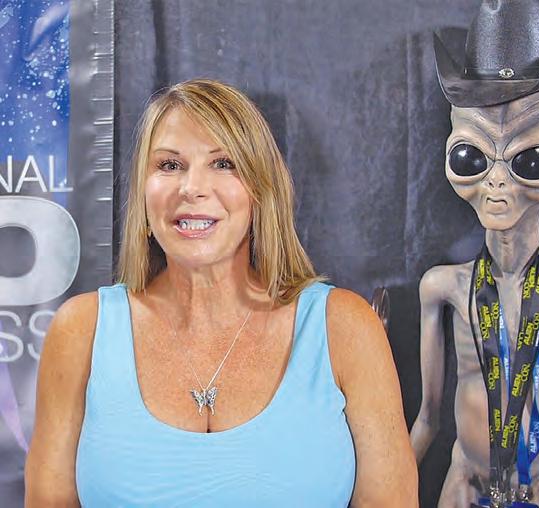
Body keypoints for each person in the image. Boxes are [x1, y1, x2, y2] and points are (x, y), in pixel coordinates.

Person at [24, 79, 418, 507]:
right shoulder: (81, 330)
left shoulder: (344, 327)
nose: (191, 187)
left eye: (223, 163)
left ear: (260, 191)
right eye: (169, 165)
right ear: (143, 193)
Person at [410, 1, 539, 507]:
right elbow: (427, 418)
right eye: (472, 157)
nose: (497, 182)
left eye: (534, 159)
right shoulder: (442, 287)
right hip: (465, 479)